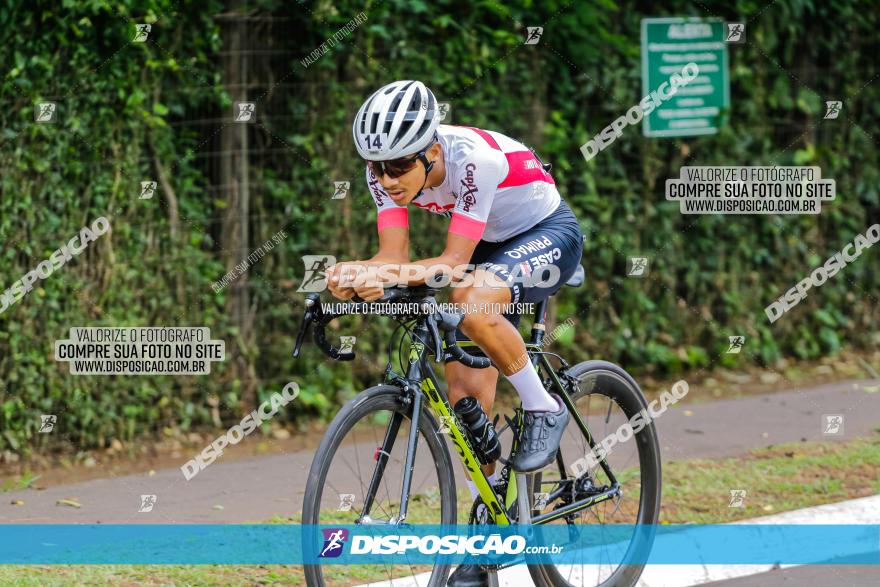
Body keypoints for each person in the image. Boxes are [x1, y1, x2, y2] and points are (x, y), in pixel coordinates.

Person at [327, 80, 584, 587]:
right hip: (489, 249)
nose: (387, 178)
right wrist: (354, 275)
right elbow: (394, 259)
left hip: (547, 233)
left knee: (469, 298)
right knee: (465, 397)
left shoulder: (474, 161)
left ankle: (544, 407)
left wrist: (382, 275)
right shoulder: (382, 171)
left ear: (431, 150)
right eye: (377, 168)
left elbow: (449, 264)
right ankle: (489, 532)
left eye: (400, 167)